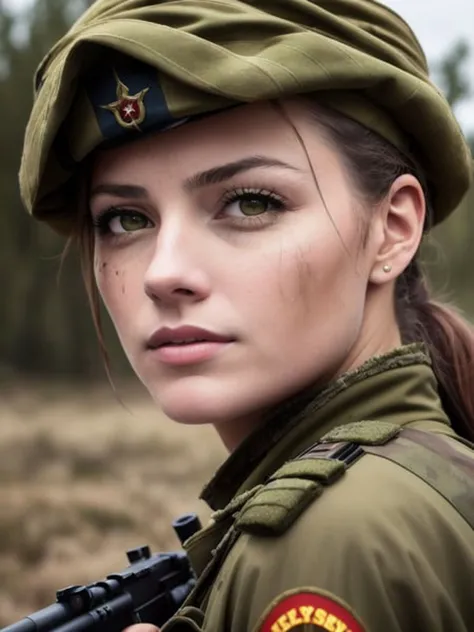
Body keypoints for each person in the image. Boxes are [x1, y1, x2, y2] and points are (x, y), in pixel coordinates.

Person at [19, 0, 474, 630]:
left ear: (392, 229)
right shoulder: (426, 470)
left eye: (250, 203)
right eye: (126, 220)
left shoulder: (325, 543)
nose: (163, 273)